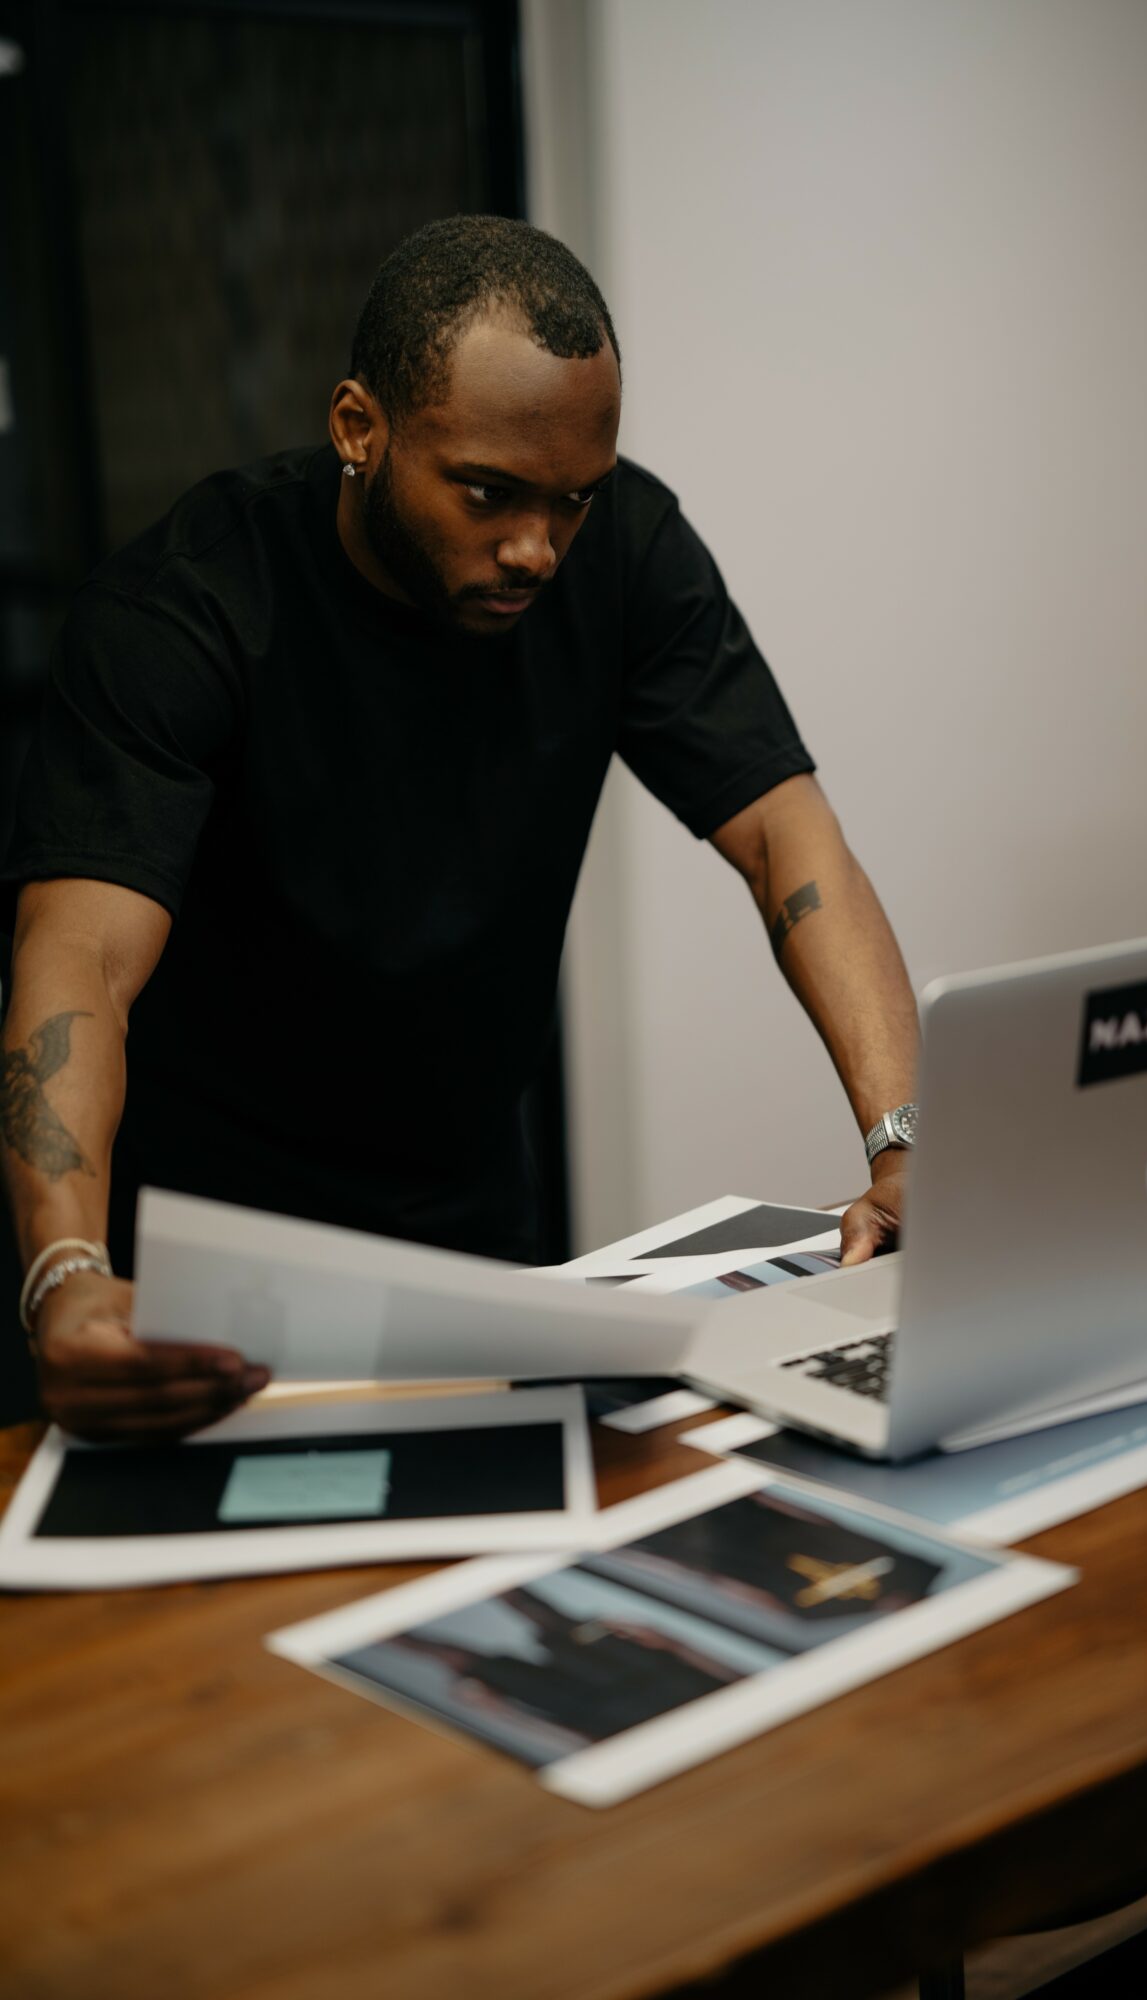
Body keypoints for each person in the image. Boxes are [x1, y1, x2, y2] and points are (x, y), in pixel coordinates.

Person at [0, 216, 919, 1444]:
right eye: (486, 492)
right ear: (358, 428)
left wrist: (903, 1138)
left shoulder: (628, 551)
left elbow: (785, 840)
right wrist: (64, 1269)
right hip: (201, 1253)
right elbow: (80, 959)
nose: (537, 546)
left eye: (571, 500)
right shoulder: (190, 611)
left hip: (477, 1222)